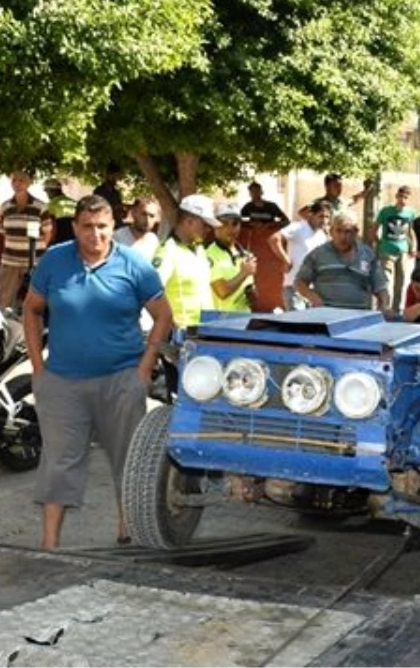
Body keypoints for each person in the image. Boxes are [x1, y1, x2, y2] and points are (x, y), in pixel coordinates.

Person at [23, 195, 173, 549]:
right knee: (59, 461)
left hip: (121, 379)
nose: (95, 234)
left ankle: (127, 528)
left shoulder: (135, 265)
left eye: (102, 227)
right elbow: (31, 310)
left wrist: (144, 370)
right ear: (74, 227)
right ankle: (49, 544)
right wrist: (38, 368)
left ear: (113, 227)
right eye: (87, 227)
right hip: (61, 381)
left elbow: (164, 316)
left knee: (127, 458)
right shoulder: (55, 261)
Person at [295, 212, 390, 311]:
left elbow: (381, 287)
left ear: (355, 233)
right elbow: (300, 282)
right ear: (331, 232)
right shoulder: (318, 254)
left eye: (347, 231)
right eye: (338, 231)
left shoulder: (368, 255)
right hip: (325, 315)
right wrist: (313, 298)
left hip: (358, 316)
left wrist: (384, 305)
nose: (342, 237)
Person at [154, 194, 219, 328]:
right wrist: (170, 325)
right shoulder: (168, 251)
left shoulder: (199, 250)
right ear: (189, 221)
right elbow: (152, 294)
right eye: (205, 225)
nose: (208, 230)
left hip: (205, 332)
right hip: (180, 336)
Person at [0, 170, 47, 311]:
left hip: (35, 262)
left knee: (38, 300)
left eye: (21, 180)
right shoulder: (5, 207)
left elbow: (48, 233)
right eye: (14, 181)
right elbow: (4, 233)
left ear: (28, 183)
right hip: (10, 261)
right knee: (4, 300)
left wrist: (39, 254)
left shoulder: (40, 207)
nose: (17, 184)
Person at [269, 200, 330, 310]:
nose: (324, 220)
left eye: (327, 217)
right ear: (311, 215)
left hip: (313, 291)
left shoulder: (322, 235)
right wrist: (285, 259)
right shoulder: (298, 227)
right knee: (296, 326)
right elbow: (274, 239)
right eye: (321, 216)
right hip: (294, 288)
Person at [370, 186, 417, 312]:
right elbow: (374, 229)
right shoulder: (386, 211)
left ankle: (396, 310)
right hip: (387, 250)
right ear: (396, 196)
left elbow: (410, 231)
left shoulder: (411, 213)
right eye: (401, 196)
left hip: (402, 251)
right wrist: (379, 243)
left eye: (406, 198)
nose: (403, 200)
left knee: (400, 282)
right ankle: (384, 306)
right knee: (385, 280)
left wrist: (413, 246)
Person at [208, 203, 257, 312]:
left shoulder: (245, 255)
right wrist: (244, 273)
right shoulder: (208, 254)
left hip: (244, 319)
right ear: (215, 226)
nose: (231, 229)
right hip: (221, 322)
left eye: (235, 223)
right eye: (225, 223)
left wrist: (252, 294)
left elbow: (250, 294)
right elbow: (222, 292)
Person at [43, 178, 79, 248]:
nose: (47, 195)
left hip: (60, 238)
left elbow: (53, 224)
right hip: (75, 238)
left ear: (52, 191)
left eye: (47, 192)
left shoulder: (51, 204)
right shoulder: (74, 202)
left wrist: (50, 242)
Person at [92, 162, 126, 227]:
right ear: (107, 175)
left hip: (116, 224)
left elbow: (120, 210)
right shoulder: (99, 191)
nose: (115, 178)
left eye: (116, 176)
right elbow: (96, 209)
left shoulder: (116, 193)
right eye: (113, 175)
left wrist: (122, 211)